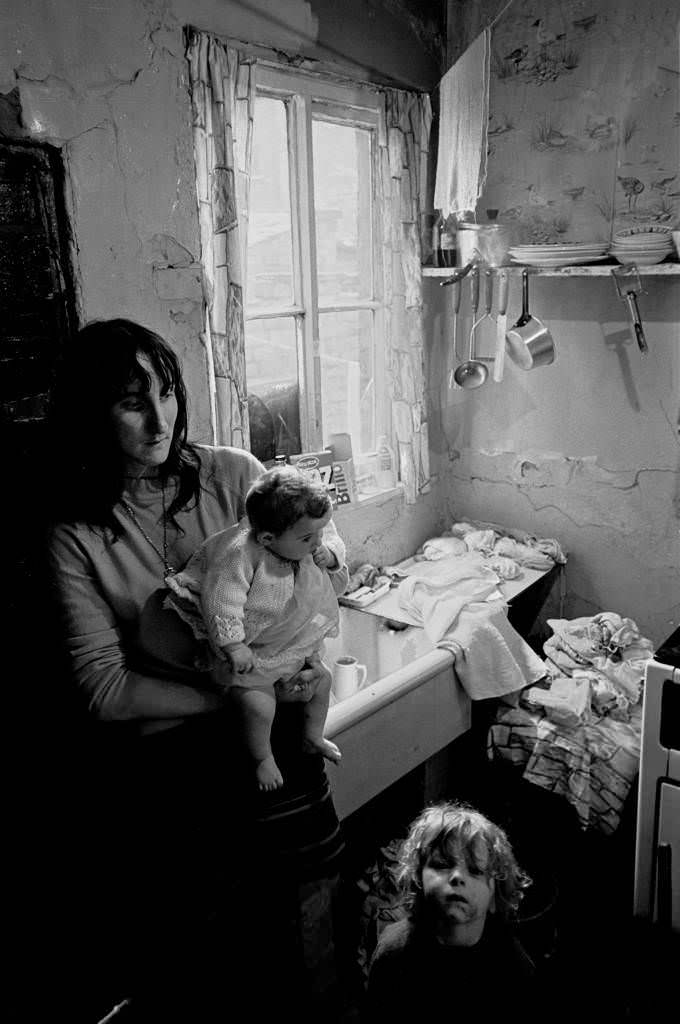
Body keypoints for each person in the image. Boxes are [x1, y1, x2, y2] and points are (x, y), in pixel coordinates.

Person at [45, 318, 346, 1024]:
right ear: (92, 414)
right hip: (176, 776)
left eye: (167, 391)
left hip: (273, 749)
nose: (160, 420)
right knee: (215, 964)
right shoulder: (78, 536)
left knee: (308, 938)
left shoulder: (236, 476)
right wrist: (240, 695)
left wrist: (308, 667)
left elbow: (313, 575)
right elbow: (106, 690)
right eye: (130, 401)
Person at [165, 466, 347, 792]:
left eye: (318, 534)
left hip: (290, 644)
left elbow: (332, 543)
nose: (316, 542)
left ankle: (312, 736)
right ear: (267, 538)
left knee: (323, 681)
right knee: (258, 705)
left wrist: (329, 553)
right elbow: (221, 601)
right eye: (309, 538)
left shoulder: (301, 537)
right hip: (254, 653)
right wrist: (233, 646)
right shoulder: (240, 554)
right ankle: (262, 757)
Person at [363, 801, 535, 1023]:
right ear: (418, 879)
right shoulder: (394, 951)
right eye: (442, 864)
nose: (457, 877)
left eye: (475, 870)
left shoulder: (513, 969)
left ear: (494, 896)